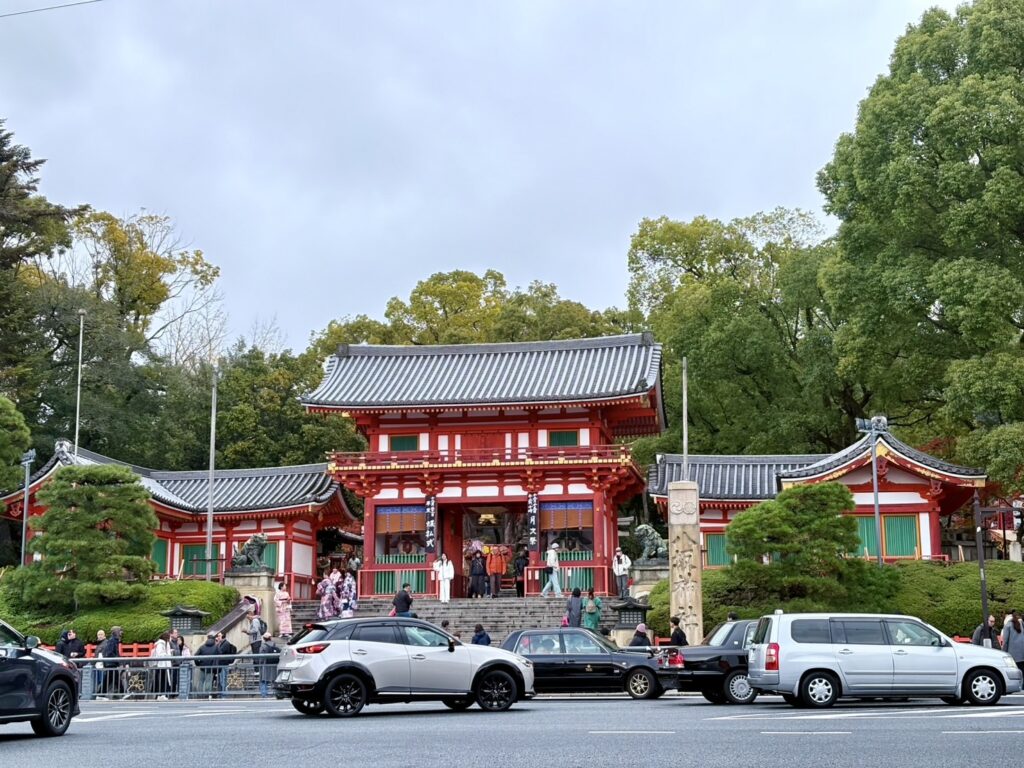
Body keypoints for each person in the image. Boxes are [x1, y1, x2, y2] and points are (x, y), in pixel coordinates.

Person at [194, 631, 219, 698]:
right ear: (214, 640)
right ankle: (207, 694)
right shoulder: (216, 647)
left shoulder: (202, 647)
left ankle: (199, 695)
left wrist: (198, 664)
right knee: (208, 681)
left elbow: (195, 656)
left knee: (201, 681)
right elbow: (220, 655)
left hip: (202, 666)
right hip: (211, 667)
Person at [150, 631, 172, 700]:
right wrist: (167, 654)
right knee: (161, 680)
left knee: (163, 680)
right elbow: (159, 654)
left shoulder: (165, 644)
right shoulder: (160, 644)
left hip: (164, 664)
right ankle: (160, 695)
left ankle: (162, 694)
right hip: (161, 665)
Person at [256, 632, 280, 698]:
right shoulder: (275, 645)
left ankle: (264, 694)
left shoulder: (263, 646)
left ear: (264, 638)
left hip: (265, 665)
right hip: (274, 665)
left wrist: (260, 664)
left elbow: (261, 657)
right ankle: (276, 693)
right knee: (274, 680)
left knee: (263, 680)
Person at [215, 631, 237, 698]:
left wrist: (217, 645)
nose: (217, 638)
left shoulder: (225, 644)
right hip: (221, 664)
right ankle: (221, 693)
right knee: (221, 679)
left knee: (223, 680)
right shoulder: (222, 643)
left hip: (224, 664)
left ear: (222, 636)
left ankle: (224, 693)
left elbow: (220, 652)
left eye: (219, 636)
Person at [92, 629, 107, 699]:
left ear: (104, 635)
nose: (100, 636)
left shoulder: (105, 643)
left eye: (101, 634)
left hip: (102, 664)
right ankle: (99, 693)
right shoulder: (99, 644)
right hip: (98, 665)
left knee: (102, 680)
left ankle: (100, 693)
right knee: (99, 680)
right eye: (99, 635)